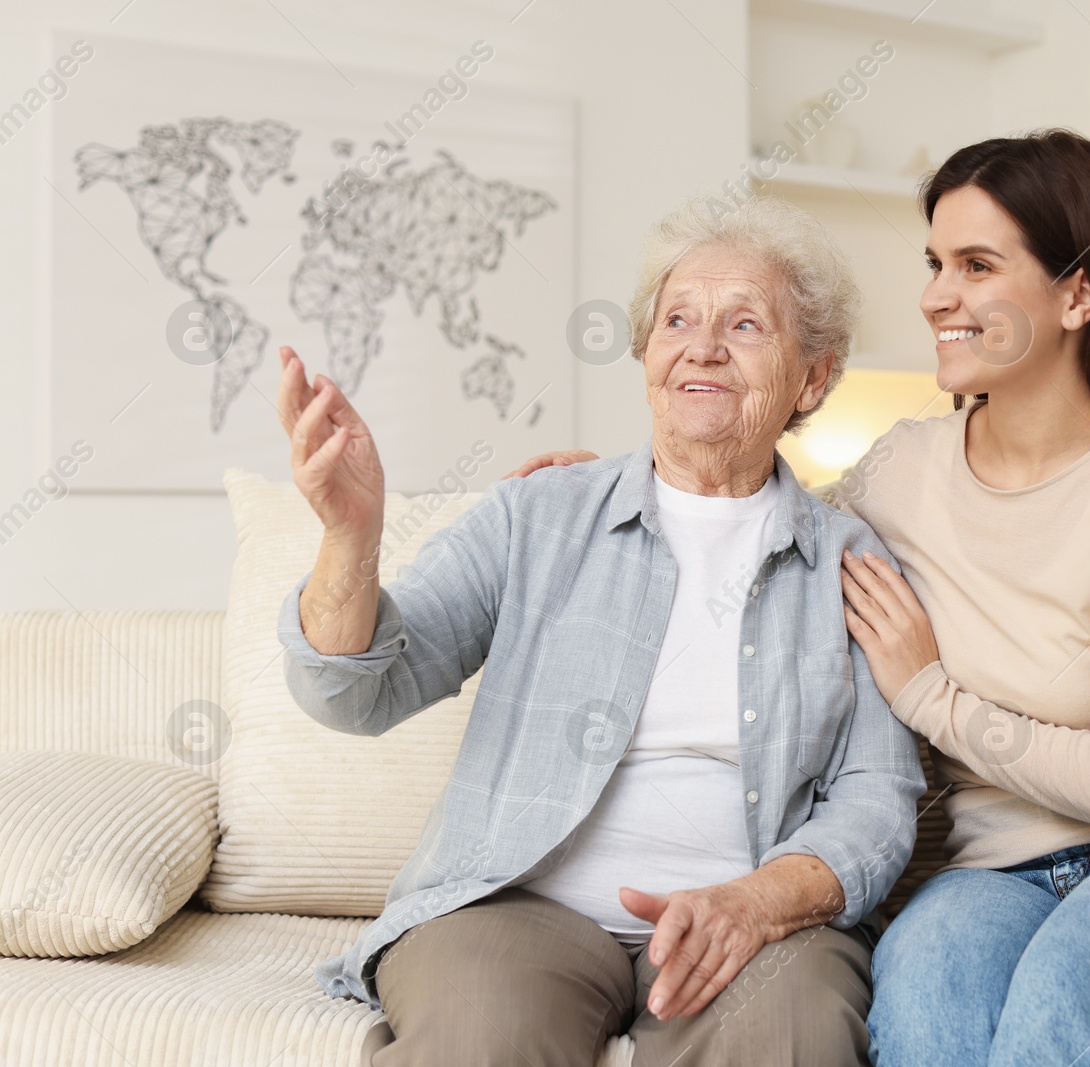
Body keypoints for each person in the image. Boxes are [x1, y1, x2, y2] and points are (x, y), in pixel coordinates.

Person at [513, 129, 1090, 1067]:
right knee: (925, 1021)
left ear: (1077, 295)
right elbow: (760, 531)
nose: (936, 296)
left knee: (1062, 1005)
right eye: (936, 262)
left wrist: (932, 695)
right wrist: (618, 492)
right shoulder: (900, 469)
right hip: (990, 873)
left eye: (976, 265)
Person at [274, 193, 924, 1067]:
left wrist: (758, 902)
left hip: (753, 921)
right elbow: (358, 691)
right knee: (480, 1040)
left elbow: (879, 798)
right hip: (519, 905)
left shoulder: (851, 558)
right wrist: (350, 540)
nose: (702, 345)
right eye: (678, 319)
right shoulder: (539, 514)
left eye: (745, 325)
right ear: (648, 353)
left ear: (812, 378)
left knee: (796, 1033)